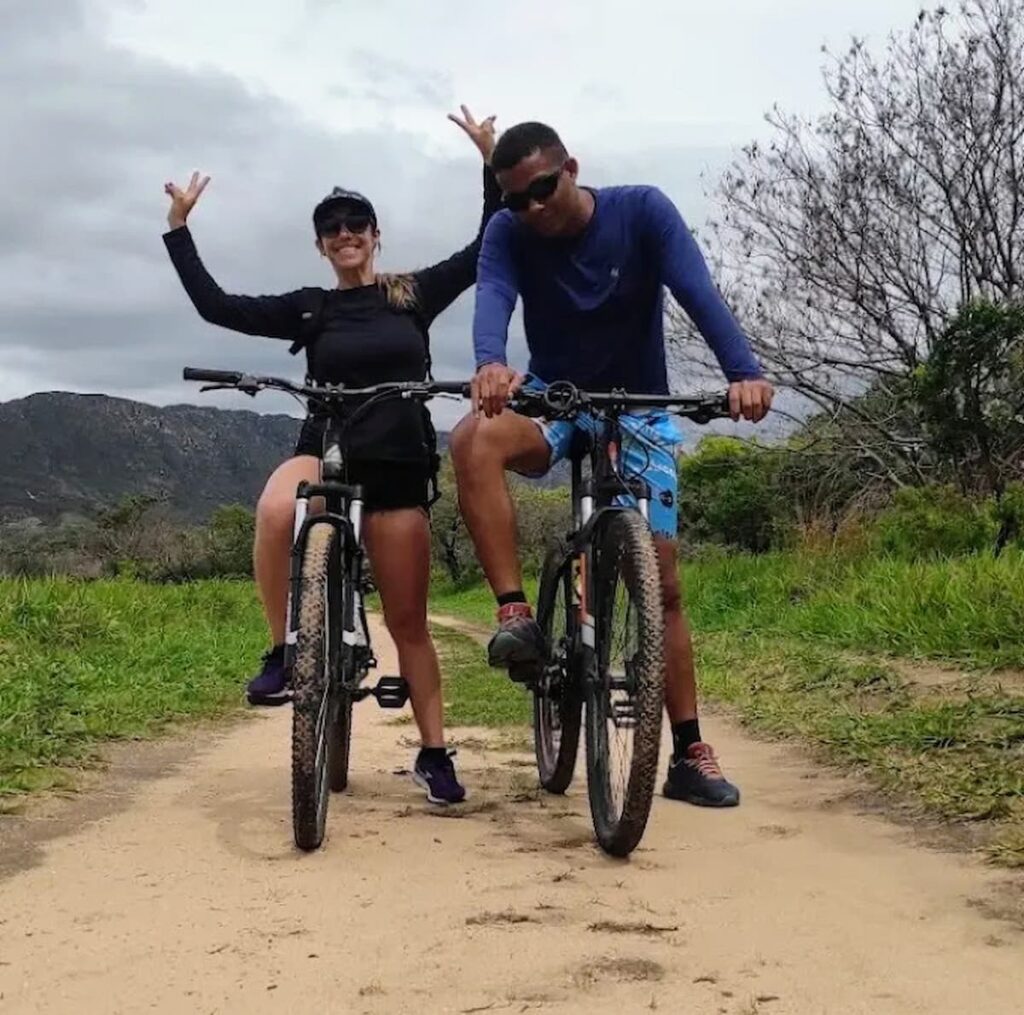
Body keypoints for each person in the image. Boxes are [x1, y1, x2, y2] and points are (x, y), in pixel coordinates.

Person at [162, 106, 502, 805]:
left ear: (376, 235)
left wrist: (490, 162)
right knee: (274, 507)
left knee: (408, 621)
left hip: (397, 462)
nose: (344, 234)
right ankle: (284, 650)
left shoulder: (409, 293)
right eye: (331, 228)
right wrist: (178, 230)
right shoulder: (310, 307)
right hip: (327, 444)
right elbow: (217, 306)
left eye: (356, 224)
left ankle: (433, 753)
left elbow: (482, 250)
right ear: (320, 245)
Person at [450, 121, 774, 808]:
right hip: (555, 400)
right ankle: (515, 614)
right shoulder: (509, 232)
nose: (534, 207)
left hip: (640, 408)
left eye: (544, 188)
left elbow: (697, 291)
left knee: (663, 584)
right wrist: (489, 363)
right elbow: (493, 294)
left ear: (571, 167)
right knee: (473, 438)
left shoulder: (642, 210)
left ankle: (689, 752)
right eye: (517, 199)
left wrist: (742, 372)